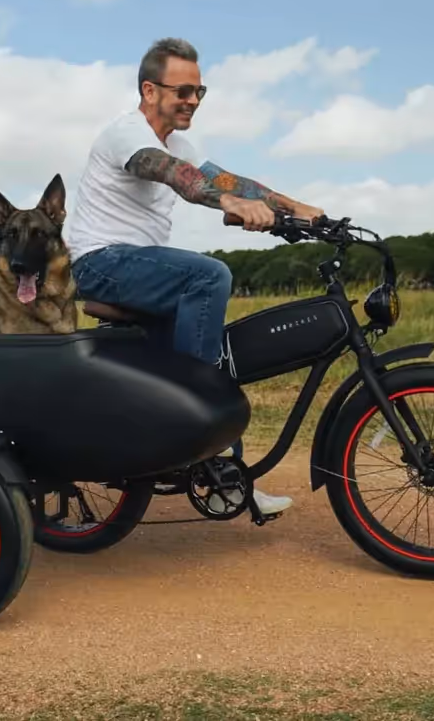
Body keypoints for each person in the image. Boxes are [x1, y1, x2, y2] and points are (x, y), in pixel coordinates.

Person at [65, 37, 324, 518]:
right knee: (208, 278)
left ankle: (222, 472)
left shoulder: (181, 144)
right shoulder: (126, 134)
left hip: (141, 266)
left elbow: (227, 180)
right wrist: (227, 202)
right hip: (101, 261)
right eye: (182, 91)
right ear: (149, 90)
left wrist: (294, 207)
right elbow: (172, 174)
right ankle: (193, 421)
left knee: (213, 351)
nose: (192, 101)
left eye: (198, 92)